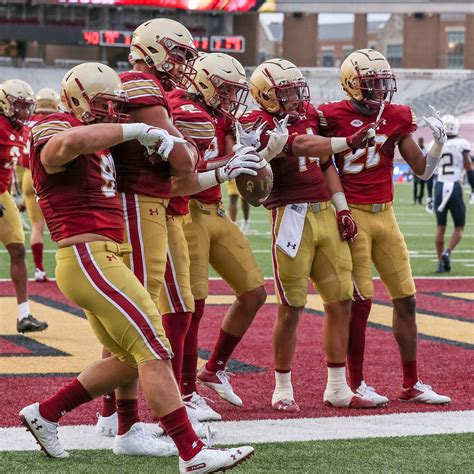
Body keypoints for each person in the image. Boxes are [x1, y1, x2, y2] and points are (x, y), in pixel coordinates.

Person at [19, 62, 255, 472]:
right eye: (103, 106)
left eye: (117, 107)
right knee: (156, 346)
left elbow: (170, 184)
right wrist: (140, 129)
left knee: (131, 357)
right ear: (75, 100)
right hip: (88, 257)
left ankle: (46, 413)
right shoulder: (53, 125)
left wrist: (221, 169)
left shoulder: (102, 141)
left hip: (104, 257)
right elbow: (61, 148)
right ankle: (192, 454)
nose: (112, 114)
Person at [243, 58, 378, 411]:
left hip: (324, 214)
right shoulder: (256, 122)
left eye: (294, 89)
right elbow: (301, 146)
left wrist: (343, 207)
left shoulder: (311, 113)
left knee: (341, 301)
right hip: (291, 216)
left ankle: (337, 387)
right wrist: (348, 140)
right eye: (284, 91)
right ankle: (283, 387)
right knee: (291, 307)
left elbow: (326, 164)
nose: (293, 97)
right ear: (266, 95)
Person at [317, 48, 451, 405]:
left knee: (406, 299)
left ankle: (411, 383)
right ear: (351, 85)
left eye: (382, 83)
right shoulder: (330, 115)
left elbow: (422, 170)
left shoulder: (396, 115)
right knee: (360, 303)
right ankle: (356, 383)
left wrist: (438, 143)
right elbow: (314, 153)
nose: (380, 91)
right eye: (371, 83)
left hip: (385, 215)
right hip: (353, 214)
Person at [166, 53, 267, 414]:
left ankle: (213, 370)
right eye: (224, 90)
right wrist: (232, 160)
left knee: (254, 292)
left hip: (216, 209)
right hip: (187, 211)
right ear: (205, 82)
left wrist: (260, 151)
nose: (229, 99)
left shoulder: (221, 115)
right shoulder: (177, 108)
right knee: (191, 308)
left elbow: (233, 162)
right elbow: (182, 167)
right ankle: (185, 391)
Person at [0, 79, 48, 333]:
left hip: (3, 195)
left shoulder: (21, 130)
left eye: (27, 106)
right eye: (19, 106)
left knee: (18, 251)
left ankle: (24, 315)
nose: (25, 112)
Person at [20, 88, 60, 281]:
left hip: (28, 175)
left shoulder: (25, 122)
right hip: (49, 175)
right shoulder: (57, 121)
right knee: (60, 224)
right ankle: (65, 268)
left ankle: (39, 270)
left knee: (36, 226)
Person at [433, 114, 471, 273]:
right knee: (459, 227)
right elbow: (469, 167)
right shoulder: (462, 143)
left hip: (440, 187)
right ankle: (448, 252)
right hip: (455, 187)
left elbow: (430, 172)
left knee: (440, 228)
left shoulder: (435, 143)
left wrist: (429, 195)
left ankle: (440, 262)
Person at [413, 137, 425, 205]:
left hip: (423, 170)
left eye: (422, 141)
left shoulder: (425, 149)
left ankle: (420, 199)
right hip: (416, 169)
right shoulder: (415, 148)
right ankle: (415, 199)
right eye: (420, 142)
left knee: (422, 186)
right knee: (416, 185)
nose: (421, 143)